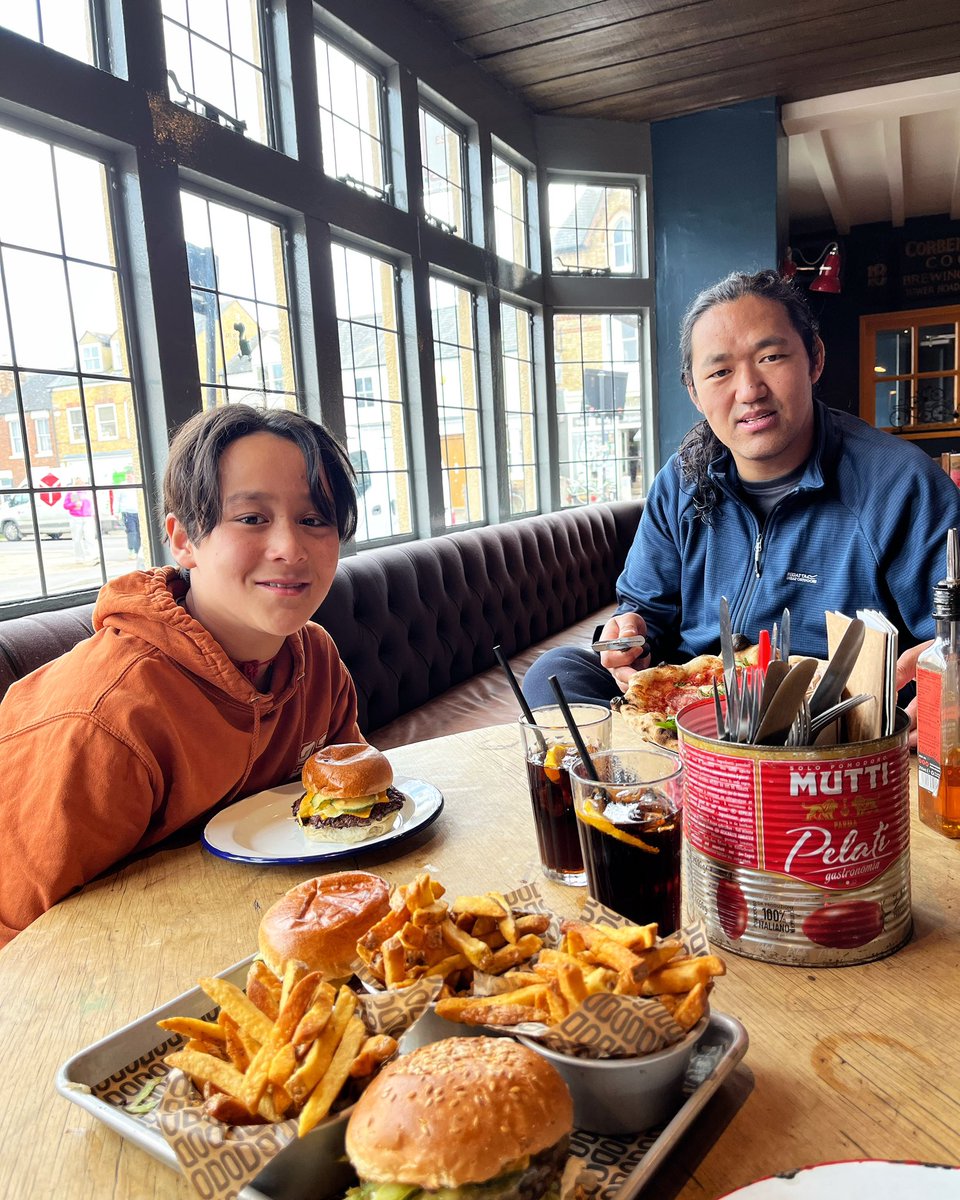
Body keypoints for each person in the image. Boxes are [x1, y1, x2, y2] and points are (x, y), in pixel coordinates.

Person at [523, 268, 960, 718]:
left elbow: (953, 639)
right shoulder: (681, 481)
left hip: (830, 720)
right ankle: (671, 777)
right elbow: (644, 611)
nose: (749, 390)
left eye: (770, 357)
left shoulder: (899, 484)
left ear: (814, 360)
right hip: (694, 702)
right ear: (694, 391)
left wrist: (941, 690)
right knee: (556, 672)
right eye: (720, 371)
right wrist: (630, 638)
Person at [0, 404, 362, 947]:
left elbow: (355, 812)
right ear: (184, 539)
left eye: (314, 520)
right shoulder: (106, 719)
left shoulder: (314, 656)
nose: (290, 548)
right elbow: (25, 944)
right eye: (252, 518)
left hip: (258, 940)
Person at [64, 477, 98, 564]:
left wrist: (94, 513)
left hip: (88, 517)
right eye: (77, 480)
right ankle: (79, 557)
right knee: (77, 538)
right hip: (76, 517)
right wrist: (74, 504)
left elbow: (93, 503)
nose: (79, 482)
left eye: (81, 480)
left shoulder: (88, 491)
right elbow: (65, 505)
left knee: (90, 537)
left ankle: (93, 555)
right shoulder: (72, 492)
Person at [117, 470, 142, 559]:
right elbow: (117, 500)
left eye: (131, 476)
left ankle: (137, 550)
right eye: (128, 476)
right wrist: (117, 512)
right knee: (132, 532)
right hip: (127, 512)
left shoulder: (137, 484)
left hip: (138, 511)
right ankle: (131, 550)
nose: (129, 477)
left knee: (139, 532)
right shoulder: (122, 486)